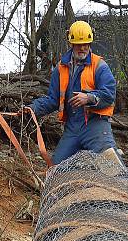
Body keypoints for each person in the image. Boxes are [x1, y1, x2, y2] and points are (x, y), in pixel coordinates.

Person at [28, 21, 117, 163]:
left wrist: (89, 98)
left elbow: (109, 95)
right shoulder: (61, 67)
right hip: (72, 128)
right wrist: (33, 109)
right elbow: (53, 100)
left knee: (112, 166)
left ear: (90, 43)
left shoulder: (99, 65)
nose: (82, 48)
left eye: (85, 44)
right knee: (57, 168)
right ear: (71, 44)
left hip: (96, 126)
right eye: (78, 44)